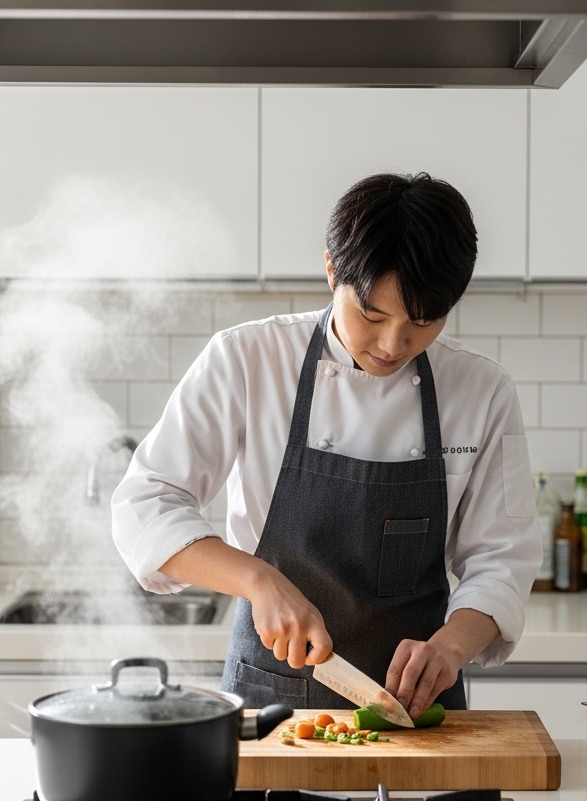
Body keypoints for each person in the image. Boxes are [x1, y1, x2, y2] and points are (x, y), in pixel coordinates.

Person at [112, 173, 541, 715]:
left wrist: (451, 647)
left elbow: (503, 558)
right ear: (332, 271)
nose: (393, 345)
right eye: (372, 315)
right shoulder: (249, 360)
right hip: (271, 700)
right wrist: (258, 580)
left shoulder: (480, 390)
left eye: (423, 322)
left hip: (418, 707)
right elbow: (145, 502)